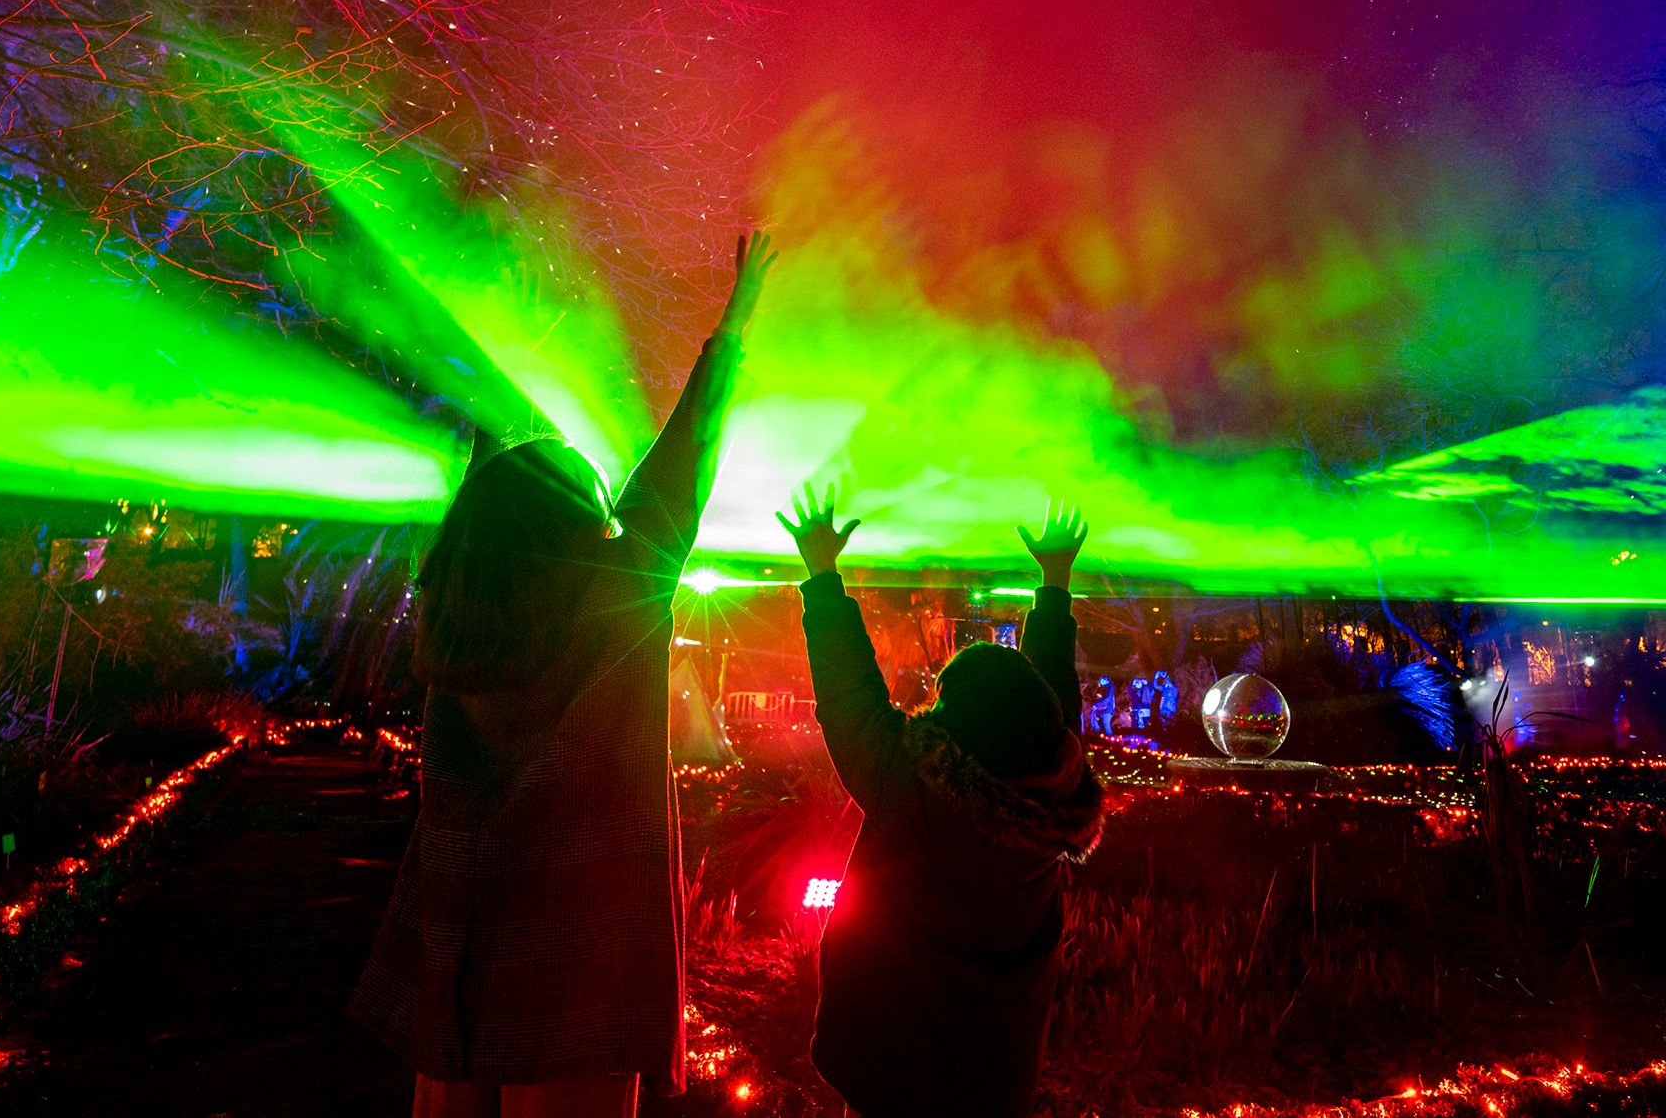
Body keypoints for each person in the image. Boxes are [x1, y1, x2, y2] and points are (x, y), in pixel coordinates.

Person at [352, 232, 776, 1118]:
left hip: (458, 955)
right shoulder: (613, 619)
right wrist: (731, 329)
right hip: (576, 964)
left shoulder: (456, 618)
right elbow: (677, 476)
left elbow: (495, 513)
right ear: (580, 534)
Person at [776, 492, 1105, 1118]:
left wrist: (821, 575)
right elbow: (1052, 701)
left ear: (955, 723)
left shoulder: (912, 789)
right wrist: (1055, 584)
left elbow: (848, 698)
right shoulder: (1054, 794)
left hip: (887, 1068)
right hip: (994, 1079)